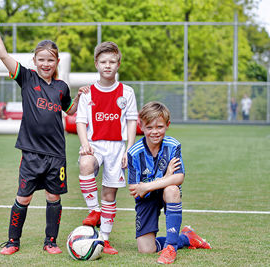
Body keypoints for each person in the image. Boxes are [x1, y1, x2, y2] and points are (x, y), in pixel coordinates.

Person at [0, 12, 84, 256]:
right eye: (41, 59)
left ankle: (50, 241)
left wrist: (81, 98)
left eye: (50, 60)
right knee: (24, 198)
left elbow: (70, 111)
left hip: (56, 154)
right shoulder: (27, 78)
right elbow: (3, 55)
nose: (45, 64)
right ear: (35, 60)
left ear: (57, 61)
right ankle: (12, 241)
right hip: (31, 153)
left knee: (53, 197)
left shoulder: (61, 87)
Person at [127, 101, 212, 264]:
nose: (155, 132)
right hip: (146, 199)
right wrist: (165, 177)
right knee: (146, 249)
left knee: (172, 190)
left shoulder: (173, 145)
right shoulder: (133, 152)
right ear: (141, 126)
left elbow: (178, 177)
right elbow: (135, 189)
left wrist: (149, 185)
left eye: (159, 127)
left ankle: (170, 247)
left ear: (167, 125)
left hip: (163, 191)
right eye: (149, 127)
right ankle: (186, 238)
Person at [76, 41, 138, 254]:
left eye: (112, 61)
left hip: (117, 148)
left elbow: (131, 122)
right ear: (96, 63)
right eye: (103, 61)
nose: (107, 65)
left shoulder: (127, 92)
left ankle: (104, 239)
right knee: (85, 164)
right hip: (94, 144)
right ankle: (94, 211)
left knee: (109, 194)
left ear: (118, 64)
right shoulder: (88, 93)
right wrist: (85, 145)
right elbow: (80, 122)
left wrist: (128, 150)